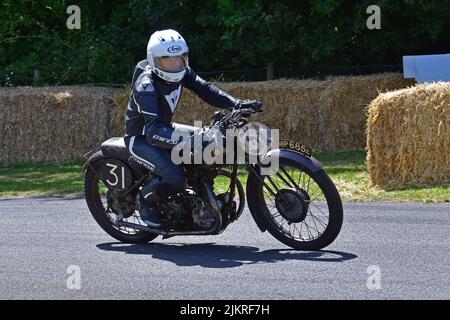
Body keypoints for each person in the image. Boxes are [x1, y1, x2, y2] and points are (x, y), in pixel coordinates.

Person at [124, 29, 262, 228]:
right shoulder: (146, 86)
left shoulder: (182, 72)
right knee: (176, 177)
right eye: (168, 60)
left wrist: (236, 104)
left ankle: (201, 199)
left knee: (209, 149)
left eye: (180, 58)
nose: (176, 64)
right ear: (154, 60)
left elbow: (206, 89)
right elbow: (153, 132)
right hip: (142, 138)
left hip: (166, 129)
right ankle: (145, 201)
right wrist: (190, 142)